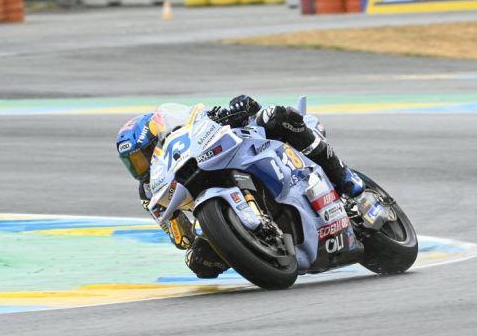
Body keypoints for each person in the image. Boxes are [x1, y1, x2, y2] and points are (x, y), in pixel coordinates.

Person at [115, 95, 365, 279]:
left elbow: (219, 116)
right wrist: (199, 236)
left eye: (142, 156)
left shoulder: (184, 134)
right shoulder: (150, 193)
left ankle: (343, 176)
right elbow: (182, 239)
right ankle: (259, 250)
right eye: (133, 164)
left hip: (246, 150)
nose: (141, 166)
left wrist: (239, 109)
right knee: (199, 262)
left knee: (274, 116)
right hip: (214, 207)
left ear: (157, 140)